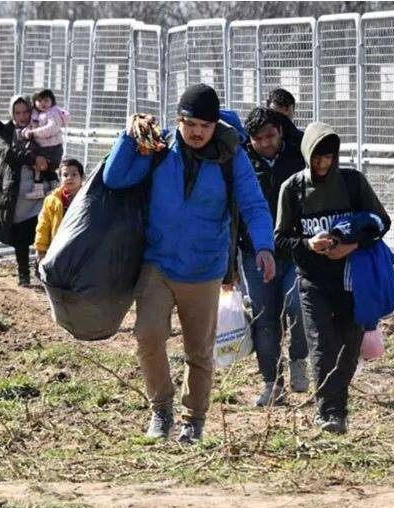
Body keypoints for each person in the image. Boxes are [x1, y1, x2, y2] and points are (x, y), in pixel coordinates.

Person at [103, 84, 276, 443]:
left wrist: (264, 246)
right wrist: (127, 136)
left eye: (205, 125)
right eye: (190, 123)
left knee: (198, 352)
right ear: (178, 119)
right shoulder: (160, 147)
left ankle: (193, 419)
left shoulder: (232, 157)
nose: (197, 132)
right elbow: (114, 178)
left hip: (204, 269)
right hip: (157, 263)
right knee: (147, 335)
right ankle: (160, 410)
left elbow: (255, 205)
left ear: (216, 126)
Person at [275, 122, 391, 435]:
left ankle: (339, 405)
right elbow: (281, 239)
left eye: (328, 157)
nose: (322, 164)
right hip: (313, 282)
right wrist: (308, 244)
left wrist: (351, 245)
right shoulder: (294, 189)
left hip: (353, 281)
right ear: (307, 155)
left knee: (348, 347)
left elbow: (381, 222)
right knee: (322, 345)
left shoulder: (352, 183)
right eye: (317, 157)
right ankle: (328, 412)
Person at [240, 107, 308, 407]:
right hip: (254, 251)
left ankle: (299, 359)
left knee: (299, 306)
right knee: (264, 318)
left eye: (270, 136)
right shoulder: (241, 161)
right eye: (258, 139)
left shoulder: (298, 154)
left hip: (295, 249)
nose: (266, 144)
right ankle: (272, 384)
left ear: (281, 131)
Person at [0, 95, 51, 287]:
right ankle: (23, 274)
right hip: (16, 191)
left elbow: (52, 150)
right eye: (17, 113)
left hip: (41, 188)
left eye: (25, 112)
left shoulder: (40, 128)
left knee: (43, 232)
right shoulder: (5, 132)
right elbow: (7, 153)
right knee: (21, 235)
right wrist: (33, 159)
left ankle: (42, 271)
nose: (22, 116)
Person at [22, 89, 70, 199]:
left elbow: (52, 128)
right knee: (40, 168)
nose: (43, 103)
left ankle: (54, 189)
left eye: (46, 100)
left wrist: (34, 133)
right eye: (39, 100)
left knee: (46, 167)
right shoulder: (36, 114)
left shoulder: (53, 113)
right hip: (43, 147)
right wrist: (25, 132)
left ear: (52, 101)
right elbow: (29, 127)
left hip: (53, 147)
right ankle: (41, 189)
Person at [33, 158, 84, 260]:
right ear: (60, 178)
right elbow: (43, 226)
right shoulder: (52, 200)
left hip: (81, 251)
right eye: (65, 175)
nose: (69, 178)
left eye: (74, 174)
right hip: (58, 249)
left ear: (82, 177)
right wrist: (40, 250)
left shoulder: (88, 199)